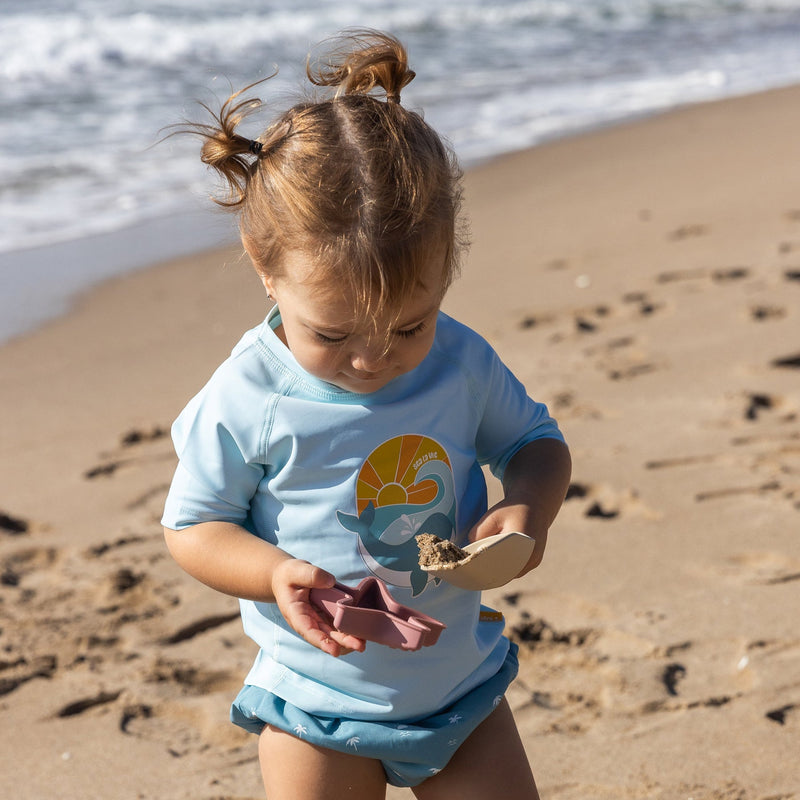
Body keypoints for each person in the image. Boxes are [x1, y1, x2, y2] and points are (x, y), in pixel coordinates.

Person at [161, 29, 572, 800]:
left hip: (462, 688)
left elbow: (535, 443)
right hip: (315, 701)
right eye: (333, 333)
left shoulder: (459, 361)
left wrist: (528, 508)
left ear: (446, 270)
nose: (372, 359)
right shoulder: (250, 396)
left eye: (408, 326)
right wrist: (274, 572)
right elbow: (194, 528)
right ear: (266, 268)